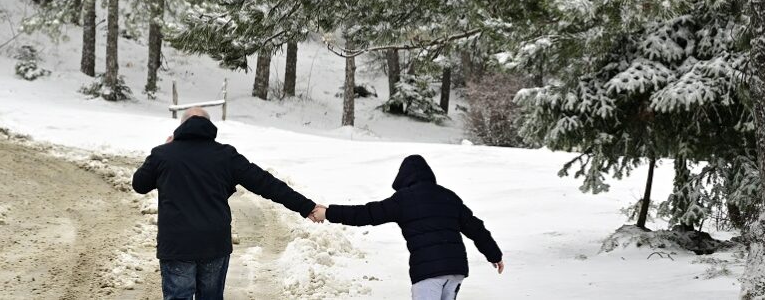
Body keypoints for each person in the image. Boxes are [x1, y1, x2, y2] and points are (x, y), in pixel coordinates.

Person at [132, 107, 325, 300]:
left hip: (176, 245)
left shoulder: (163, 154)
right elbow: (266, 183)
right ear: (209, 125)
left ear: (181, 126)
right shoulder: (225, 155)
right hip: (214, 244)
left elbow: (139, 184)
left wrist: (165, 148)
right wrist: (306, 206)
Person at [310, 154, 504, 300]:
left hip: (428, 272)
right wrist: (494, 255)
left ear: (403, 177)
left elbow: (366, 214)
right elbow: (476, 228)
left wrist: (328, 213)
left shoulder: (403, 199)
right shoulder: (448, 196)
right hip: (456, 270)